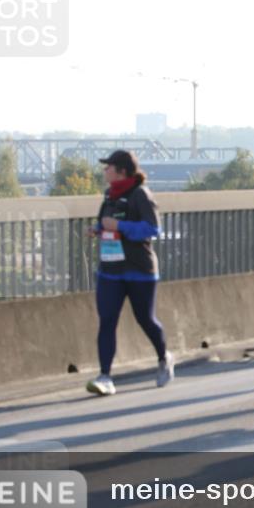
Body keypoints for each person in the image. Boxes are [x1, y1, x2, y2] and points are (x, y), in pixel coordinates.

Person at [86, 149, 174, 396]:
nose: (105, 171)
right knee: (107, 321)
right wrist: (97, 229)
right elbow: (105, 222)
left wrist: (120, 227)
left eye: (108, 167)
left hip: (139, 270)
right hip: (110, 270)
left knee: (145, 319)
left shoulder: (140, 195)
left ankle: (164, 357)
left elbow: (152, 229)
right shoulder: (109, 195)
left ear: (122, 170)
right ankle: (105, 376)